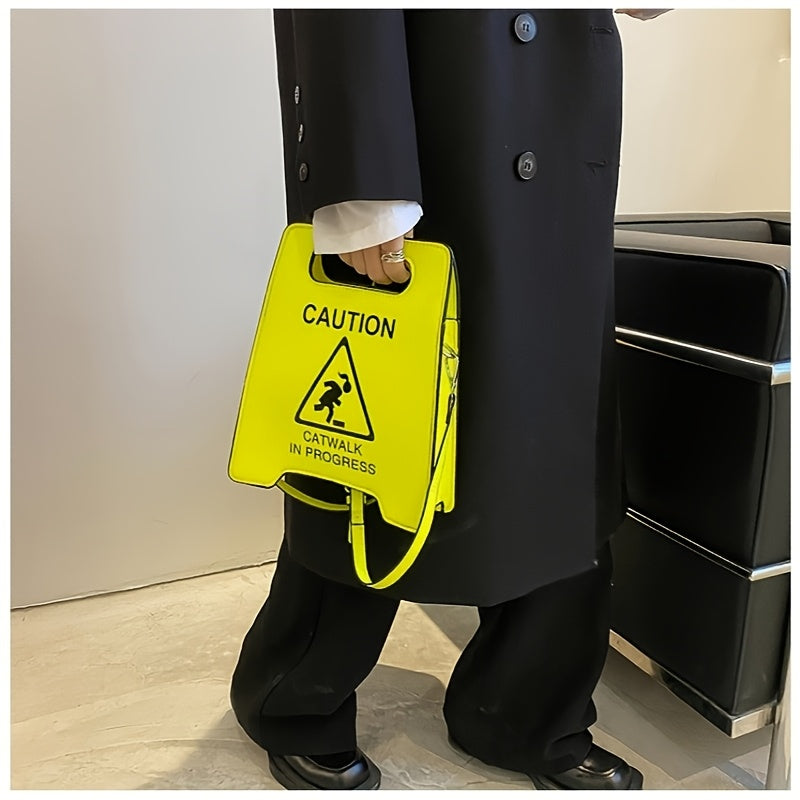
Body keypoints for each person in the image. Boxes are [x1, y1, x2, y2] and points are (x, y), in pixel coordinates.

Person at [231, 8, 669, 791]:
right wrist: (363, 183)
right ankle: (297, 698)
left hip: (556, 105)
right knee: (378, 445)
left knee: (550, 437)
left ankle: (524, 712)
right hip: (441, 106)